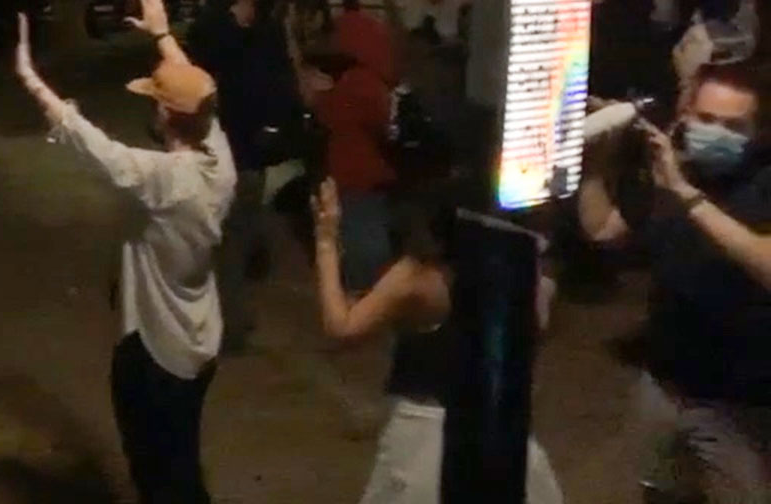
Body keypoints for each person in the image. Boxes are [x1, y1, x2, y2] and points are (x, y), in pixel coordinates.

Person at [15, 0, 235, 504]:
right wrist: (162, 36)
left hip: (159, 350)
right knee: (179, 461)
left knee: (162, 474)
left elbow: (99, 149)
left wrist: (31, 80)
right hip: (200, 337)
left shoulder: (167, 179)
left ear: (164, 116)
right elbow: (201, 96)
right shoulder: (218, 159)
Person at [579, 63, 771, 504]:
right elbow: (604, 229)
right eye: (705, 119)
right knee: (662, 493)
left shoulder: (760, 184)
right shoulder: (672, 168)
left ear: (758, 130)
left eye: (733, 126)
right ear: (686, 112)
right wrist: (596, 164)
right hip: (664, 386)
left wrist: (686, 194)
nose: (714, 132)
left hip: (740, 401)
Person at [310, 177, 565, 503]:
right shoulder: (520, 267)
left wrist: (326, 243)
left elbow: (342, 326)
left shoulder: (417, 275)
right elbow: (537, 329)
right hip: (498, 429)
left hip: (426, 437)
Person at [186, 0, 296, 353]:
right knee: (224, 241)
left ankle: (225, 324)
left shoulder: (261, 38)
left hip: (243, 157)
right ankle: (221, 319)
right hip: (220, 155)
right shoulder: (222, 37)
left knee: (232, 243)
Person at [289, 0, 399, 291]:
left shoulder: (358, 84)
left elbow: (323, 110)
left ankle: (360, 307)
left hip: (357, 178)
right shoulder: (377, 81)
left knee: (362, 249)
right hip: (371, 177)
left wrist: (300, 66)